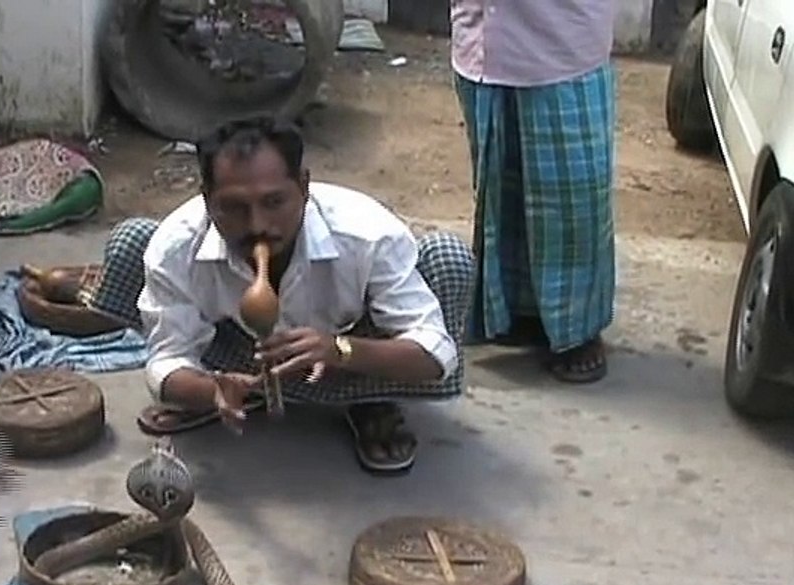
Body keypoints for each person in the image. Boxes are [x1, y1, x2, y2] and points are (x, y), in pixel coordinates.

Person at [84, 115, 476, 474]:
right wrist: (209, 390)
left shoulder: (367, 234)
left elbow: (436, 355)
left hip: (345, 354)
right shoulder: (177, 245)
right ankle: (233, 396)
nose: (257, 226)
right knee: (131, 242)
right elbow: (166, 359)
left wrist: (341, 350)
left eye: (274, 202)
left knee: (449, 258)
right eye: (234, 208)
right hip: (237, 352)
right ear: (206, 199)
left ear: (304, 187)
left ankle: (369, 400)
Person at [450, 0, 617, 383]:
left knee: (574, 206)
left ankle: (579, 330)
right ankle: (518, 312)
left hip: (564, 47)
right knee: (500, 196)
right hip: (483, 45)